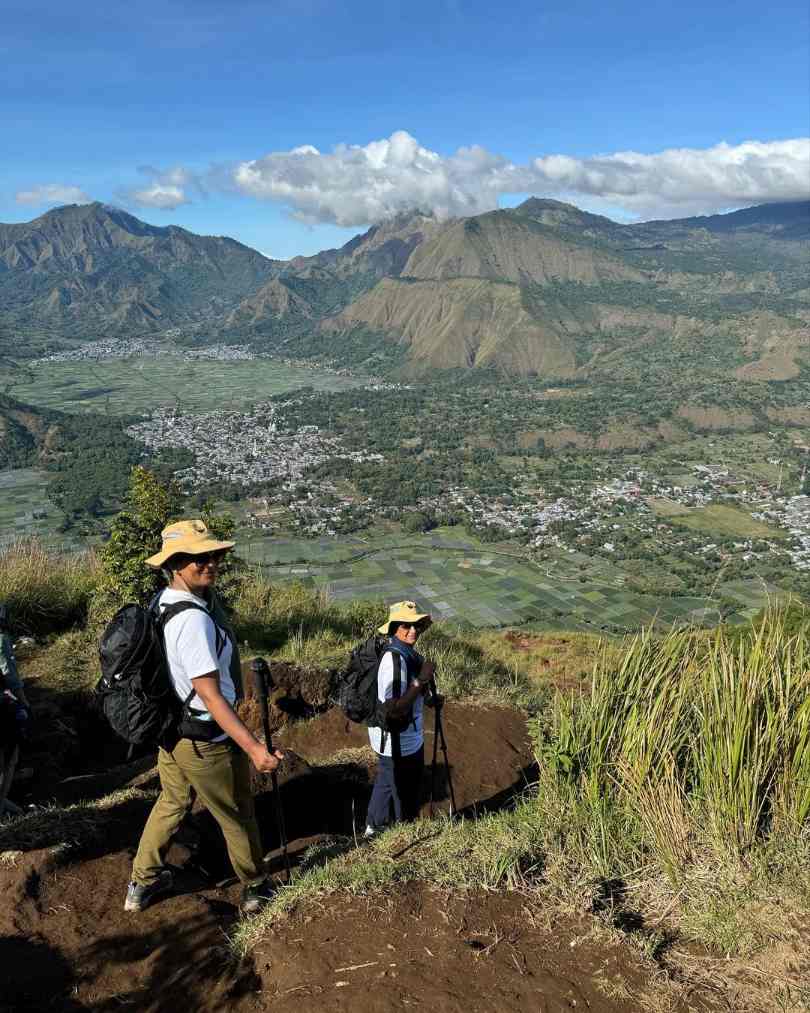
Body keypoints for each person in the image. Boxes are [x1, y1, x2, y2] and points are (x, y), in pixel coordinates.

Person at [125, 520, 283, 914]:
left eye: (214, 555)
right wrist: (253, 748)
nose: (210, 563)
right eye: (198, 558)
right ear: (176, 563)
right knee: (237, 812)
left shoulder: (163, 601)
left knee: (173, 801)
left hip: (173, 731)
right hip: (204, 737)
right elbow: (211, 697)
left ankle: (141, 884)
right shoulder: (193, 621)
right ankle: (256, 887)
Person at [365, 601, 436, 836]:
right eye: (406, 625)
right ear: (395, 627)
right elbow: (393, 709)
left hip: (403, 737)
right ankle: (390, 829)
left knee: (388, 780)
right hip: (396, 740)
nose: (413, 630)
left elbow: (408, 695)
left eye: (416, 625)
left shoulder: (407, 653)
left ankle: (375, 825)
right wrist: (422, 682)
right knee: (401, 785)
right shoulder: (394, 660)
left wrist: (426, 698)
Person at [0, 604, 30, 818]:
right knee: (9, 755)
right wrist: (24, 702)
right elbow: (9, 674)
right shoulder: (1, 639)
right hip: (3, 708)